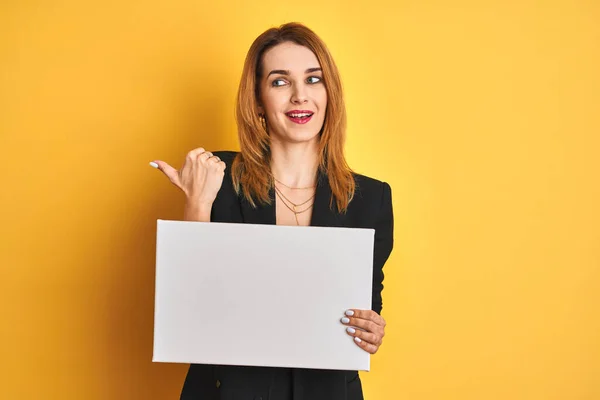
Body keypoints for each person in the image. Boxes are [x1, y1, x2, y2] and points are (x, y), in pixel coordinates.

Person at [151, 22, 394, 400]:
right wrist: (197, 203)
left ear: (330, 93)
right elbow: (186, 315)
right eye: (280, 82)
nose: (300, 96)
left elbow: (366, 308)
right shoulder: (218, 179)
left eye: (313, 80)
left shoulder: (370, 198)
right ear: (258, 100)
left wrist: (372, 328)